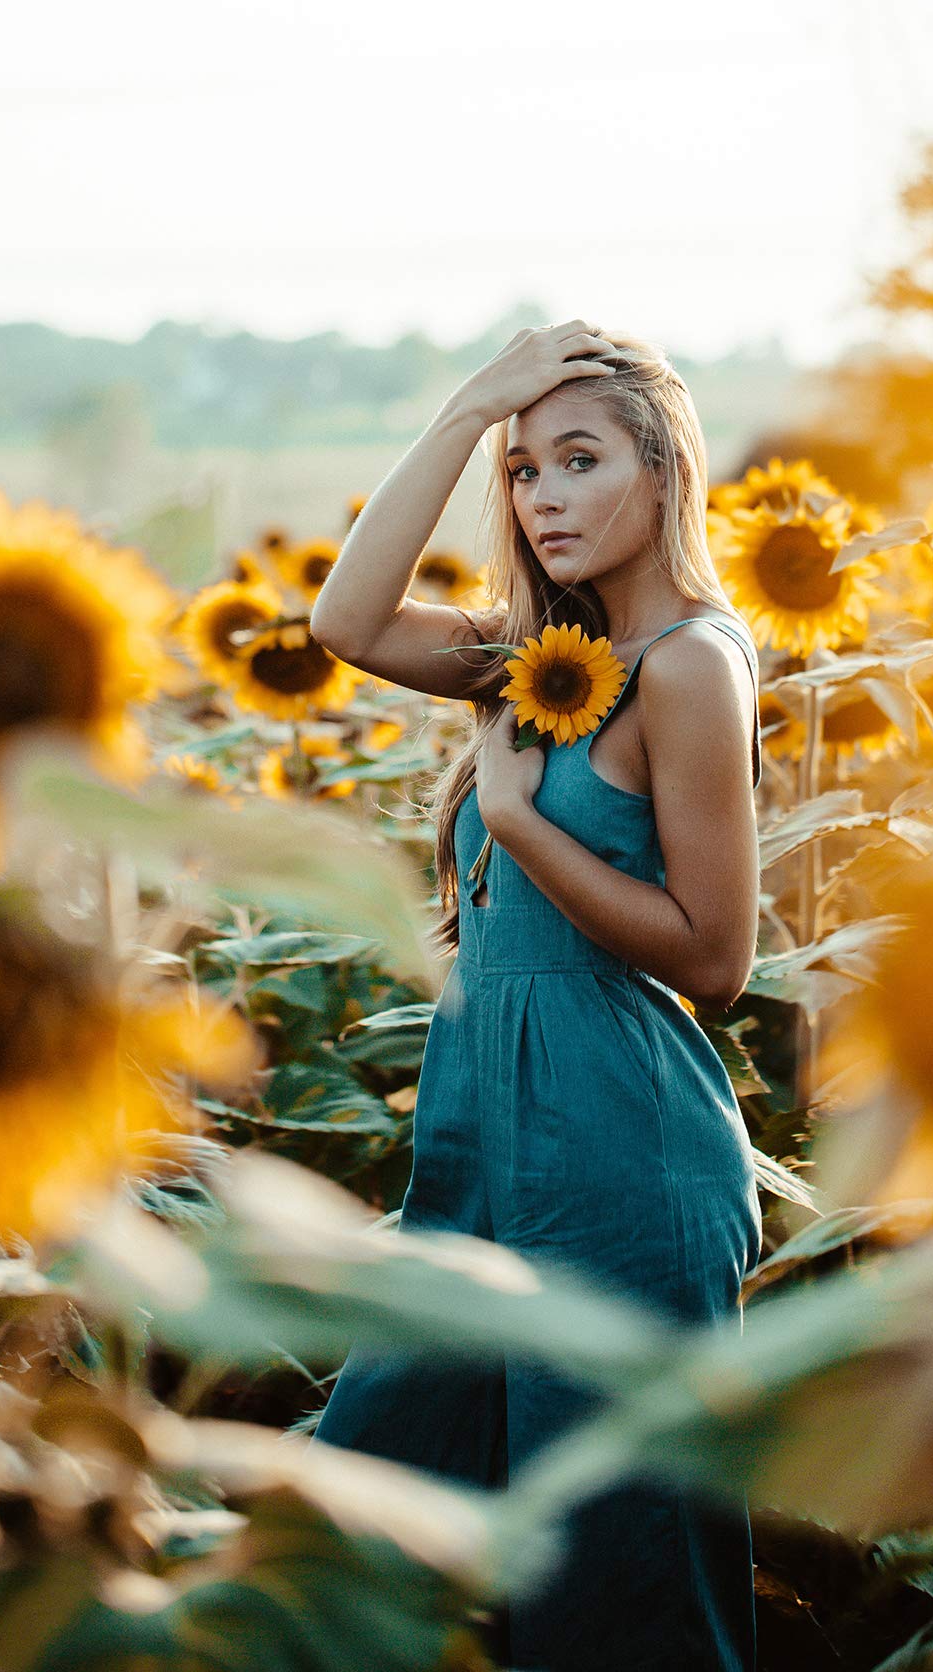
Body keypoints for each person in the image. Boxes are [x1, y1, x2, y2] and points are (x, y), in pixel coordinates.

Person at [307, 318, 764, 1671]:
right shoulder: (533, 654)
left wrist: (521, 821)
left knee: (621, 1602)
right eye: (524, 471)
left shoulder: (690, 664)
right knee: (348, 1540)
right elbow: (343, 622)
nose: (545, 496)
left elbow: (716, 959)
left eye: (580, 460)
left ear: (663, 472)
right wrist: (466, 412)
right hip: (479, 1166)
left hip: (625, 1163)